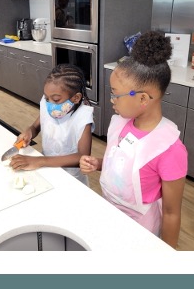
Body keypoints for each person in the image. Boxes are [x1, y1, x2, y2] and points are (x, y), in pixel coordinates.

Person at [79, 31, 187, 249]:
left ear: (143, 98)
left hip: (140, 229)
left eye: (115, 94)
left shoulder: (169, 149)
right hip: (110, 213)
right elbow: (123, 161)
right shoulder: (120, 123)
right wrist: (99, 163)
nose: (111, 100)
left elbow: (171, 212)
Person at [9, 64, 94, 186]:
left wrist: (40, 161)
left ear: (76, 98)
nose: (49, 103)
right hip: (47, 169)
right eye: (46, 98)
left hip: (70, 179)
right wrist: (29, 132)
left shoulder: (82, 118)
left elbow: (82, 157)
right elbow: (36, 126)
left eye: (56, 99)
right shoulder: (48, 104)